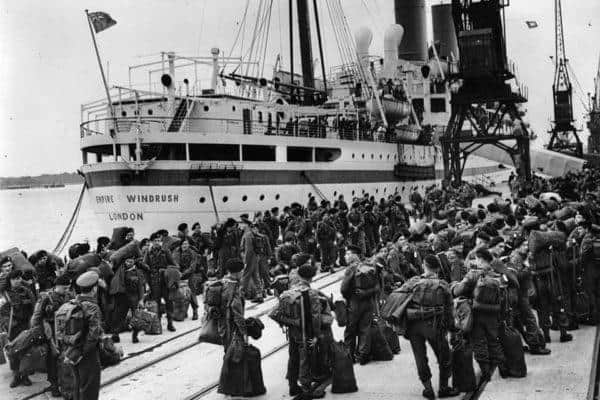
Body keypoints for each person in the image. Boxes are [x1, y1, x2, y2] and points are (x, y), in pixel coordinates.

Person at [401, 255, 459, 399]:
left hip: (414, 326)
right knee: (444, 357)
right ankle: (444, 388)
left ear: (423, 266)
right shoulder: (443, 285)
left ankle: (428, 390)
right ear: (438, 268)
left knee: (420, 358)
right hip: (435, 326)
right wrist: (452, 329)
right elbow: (449, 311)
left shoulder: (412, 282)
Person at [269, 261, 325, 398]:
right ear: (312, 277)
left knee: (293, 358)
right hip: (306, 332)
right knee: (305, 359)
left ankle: (292, 386)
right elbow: (316, 318)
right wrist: (317, 335)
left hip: (292, 333)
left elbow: (273, 313)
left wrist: (292, 322)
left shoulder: (287, 293)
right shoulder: (311, 294)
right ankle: (306, 390)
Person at [452, 248, 505, 383]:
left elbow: (459, 291)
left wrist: (454, 286)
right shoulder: (497, 273)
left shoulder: (473, 274)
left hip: (476, 313)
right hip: (493, 312)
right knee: (494, 340)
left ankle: (486, 373)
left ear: (480, 259)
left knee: (479, 343)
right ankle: (503, 369)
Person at [30, 274, 74, 396]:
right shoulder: (46, 298)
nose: (67, 290)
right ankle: (54, 384)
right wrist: (38, 332)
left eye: (68, 288)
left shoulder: (69, 295)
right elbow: (36, 317)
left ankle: (67, 382)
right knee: (53, 359)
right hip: (51, 333)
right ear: (57, 286)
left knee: (66, 356)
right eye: (64, 288)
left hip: (67, 330)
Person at [64, 271, 103, 400]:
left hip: (72, 350)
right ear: (94, 289)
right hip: (87, 354)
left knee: (78, 386)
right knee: (89, 389)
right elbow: (93, 335)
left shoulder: (72, 303)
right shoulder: (92, 307)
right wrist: (83, 353)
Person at [341, 245, 378, 364]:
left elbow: (344, 289)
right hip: (368, 301)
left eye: (347, 254)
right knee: (365, 329)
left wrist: (349, 298)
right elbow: (377, 286)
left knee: (350, 331)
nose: (345, 256)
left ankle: (349, 356)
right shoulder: (368, 266)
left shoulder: (350, 269)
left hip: (355, 303)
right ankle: (363, 356)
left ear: (353, 256)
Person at [1, 269, 36, 387]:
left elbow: (34, 307)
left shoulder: (26, 291)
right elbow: (2, 312)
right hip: (11, 327)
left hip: (25, 326)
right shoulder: (4, 293)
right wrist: (6, 326)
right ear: (9, 280)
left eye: (19, 278)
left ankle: (24, 376)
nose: (18, 280)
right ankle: (16, 376)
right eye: (14, 278)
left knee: (25, 351)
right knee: (13, 353)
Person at [143, 231, 178, 332]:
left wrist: (165, 270)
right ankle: (158, 324)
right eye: (155, 241)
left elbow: (174, 265)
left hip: (165, 281)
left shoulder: (166, 251)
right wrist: (147, 283)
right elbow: (145, 268)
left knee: (169, 302)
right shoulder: (148, 253)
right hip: (154, 282)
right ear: (151, 242)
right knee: (156, 303)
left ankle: (170, 323)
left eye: (159, 240)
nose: (158, 242)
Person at [109, 255, 146, 343]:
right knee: (119, 316)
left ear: (134, 262)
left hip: (134, 297)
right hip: (122, 297)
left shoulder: (138, 272)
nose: (128, 263)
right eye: (127, 261)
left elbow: (141, 287)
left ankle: (135, 335)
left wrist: (141, 299)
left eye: (131, 261)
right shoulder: (120, 269)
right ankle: (115, 334)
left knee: (136, 317)